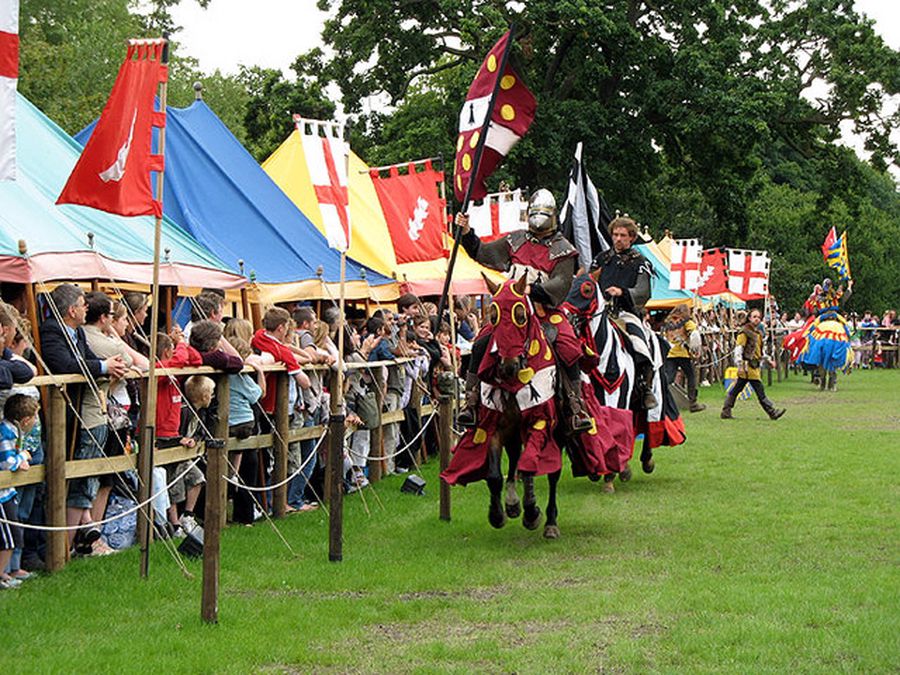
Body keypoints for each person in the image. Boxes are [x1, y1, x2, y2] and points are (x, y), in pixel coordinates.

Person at [455, 188, 590, 432]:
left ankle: (575, 405)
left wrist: (533, 289)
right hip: (511, 311)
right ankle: (472, 401)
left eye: (543, 214)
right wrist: (466, 233)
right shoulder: (516, 240)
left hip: (545, 310)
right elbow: (484, 253)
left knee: (568, 346)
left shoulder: (563, 249)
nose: (538, 219)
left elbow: (561, 284)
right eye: (535, 213)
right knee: (481, 342)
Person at [39, 284, 127, 553]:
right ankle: (62, 550)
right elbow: (65, 364)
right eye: (81, 303)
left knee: (84, 481)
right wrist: (104, 366)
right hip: (65, 415)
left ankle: (71, 543)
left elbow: (86, 358)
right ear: (71, 310)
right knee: (74, 482)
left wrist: (108, 366)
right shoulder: (52, 331)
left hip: (81, 413)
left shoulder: (76, 332)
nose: (86, 307)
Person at [590, 216, 658, 410]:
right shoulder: (601, 259)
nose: (618, 239)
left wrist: (622, 292)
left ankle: (644, 386)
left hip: (625, 313)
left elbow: (643, 292)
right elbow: (589, 282)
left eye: (623, 235)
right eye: (615, 235)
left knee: (639, 344)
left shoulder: (640, 262)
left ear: (632, 238)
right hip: (599, 312)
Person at [0, 394, 38, 589]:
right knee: (9, 538)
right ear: (25, 420)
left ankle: (6, 571)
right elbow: (7, 463)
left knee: (12, 535)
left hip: (8, 492)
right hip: (2, 495)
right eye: (34, 417)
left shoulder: (12, 431)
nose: (36, 421)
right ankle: (1, 574)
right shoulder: (6, 433)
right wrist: (21, 457)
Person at [721, 309, 786, 420]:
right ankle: (772, 412)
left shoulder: (757, 333)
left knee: (736, 389)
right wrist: (739, 365)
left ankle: (726, 411)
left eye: (758, 317)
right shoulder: (744, 332)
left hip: (754, 365)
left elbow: (759, 351)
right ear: (750, 318)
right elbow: (739, 349)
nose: (757, 319)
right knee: (759, 389)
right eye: (754, 317)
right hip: (747, 366)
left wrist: (768, 360)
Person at [663, 305, 706, 412]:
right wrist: (695, 349)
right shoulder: (687, 322)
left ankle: (663, 401)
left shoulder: (668, 321)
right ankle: (693, 403)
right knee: (691, 376)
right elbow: (694, 335)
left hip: (670, 353)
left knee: (669, 379)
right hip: (683, 353)